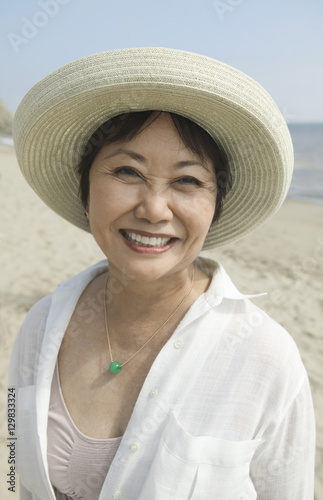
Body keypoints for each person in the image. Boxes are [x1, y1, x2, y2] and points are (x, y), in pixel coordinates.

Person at [9, 47, 315, 499]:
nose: (153, 209)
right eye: (127, 171)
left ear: (216, 203)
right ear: (85, 182)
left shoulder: (265, 358)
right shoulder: (40, 325)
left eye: (187, 181)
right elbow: (18, 464)